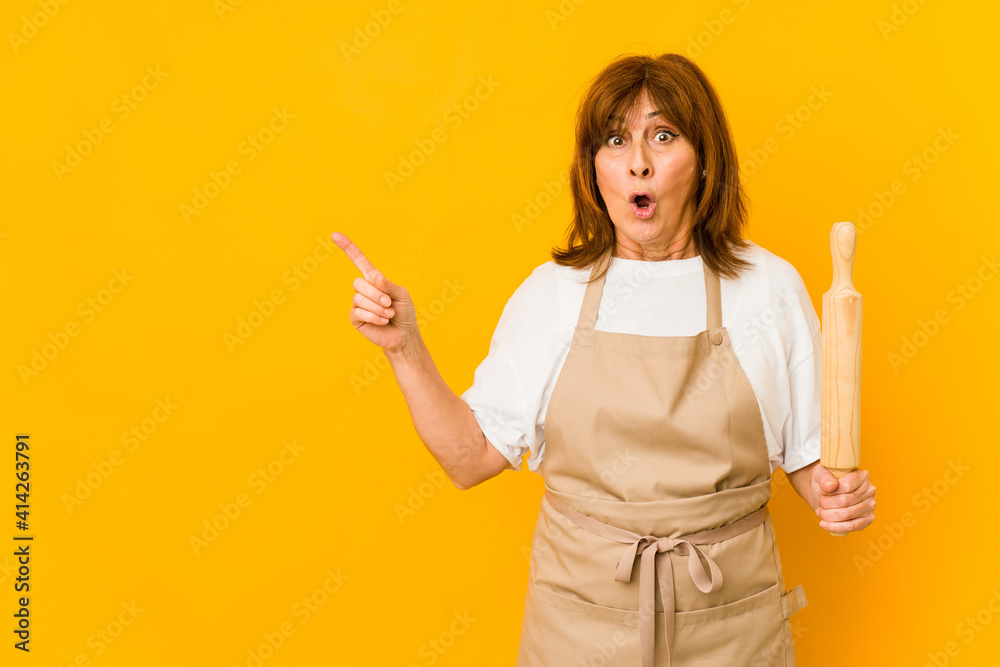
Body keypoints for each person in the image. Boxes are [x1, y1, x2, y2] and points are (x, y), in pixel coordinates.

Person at [334, 52, 876, 666]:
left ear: (705, 162)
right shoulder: (552, 295)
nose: (638, 160)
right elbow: (469, 459)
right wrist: (405, 347)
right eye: (616, 140)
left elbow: (810, 463)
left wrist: (838, 496)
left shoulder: (768, 288)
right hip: (581, 629)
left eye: (663, 136)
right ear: (594, 171)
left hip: (732, 628)